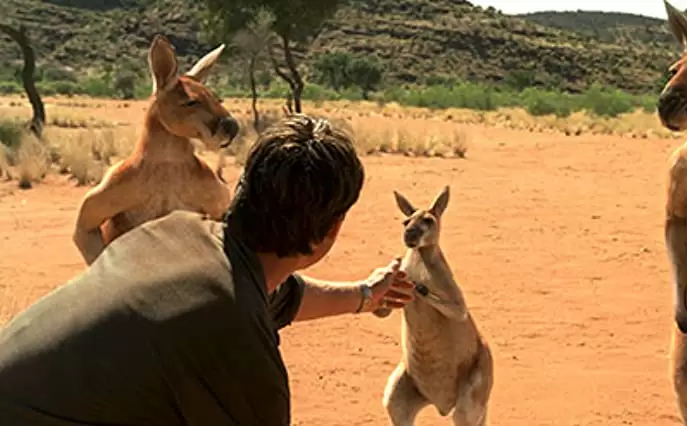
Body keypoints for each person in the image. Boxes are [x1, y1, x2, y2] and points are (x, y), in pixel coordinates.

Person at [0, 114, 416, 425]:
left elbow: (276, 296)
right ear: (331, 231)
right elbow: (244, 309)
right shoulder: (238, 346)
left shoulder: (176, 234)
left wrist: (365, 295)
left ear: (241, 188)